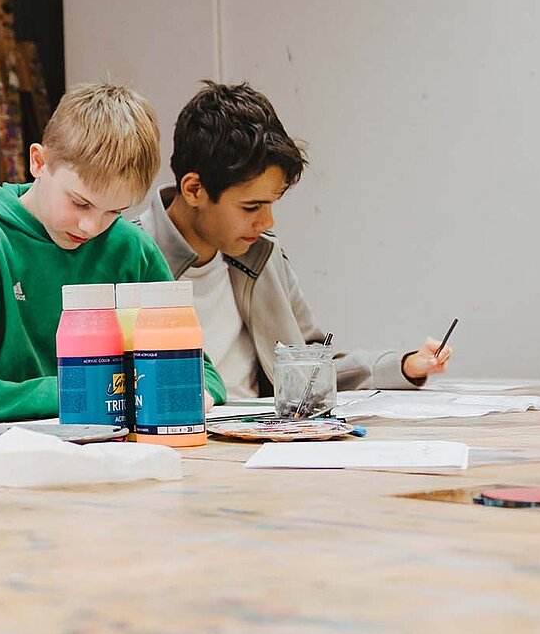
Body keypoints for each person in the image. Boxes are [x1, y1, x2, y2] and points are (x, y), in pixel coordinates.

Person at [0, 82, 225, 421]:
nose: (90, 226)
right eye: (80, 202)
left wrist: (194, 391)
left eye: (114, 212)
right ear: (39, 162)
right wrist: (95, 391)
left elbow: (204, 374)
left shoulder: (134, 249)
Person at [134, 81, 451, 398]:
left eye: (271, 204)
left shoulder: (262, 255)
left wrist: (403, 366)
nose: (267, 222)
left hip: (264, 440)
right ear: (194, 190)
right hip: (177, 442)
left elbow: (310, 367)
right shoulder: (128, 257)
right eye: (251, 206)